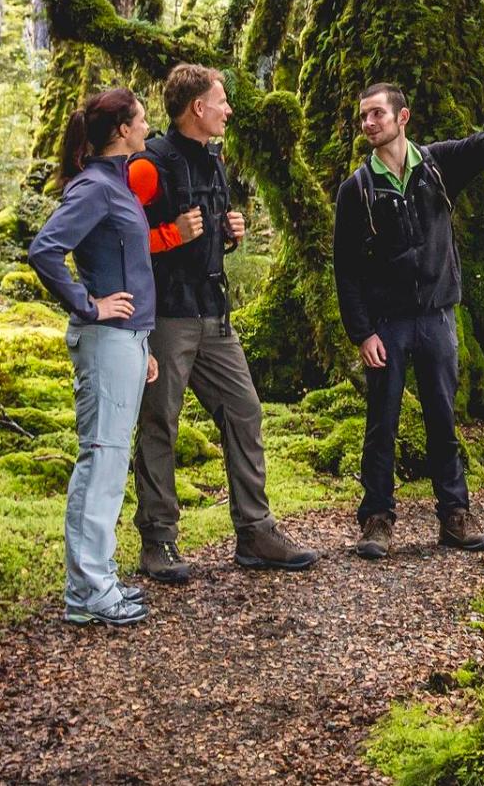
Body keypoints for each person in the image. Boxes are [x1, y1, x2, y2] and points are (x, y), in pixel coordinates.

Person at [333, 53, 484, 560]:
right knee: (381, 422)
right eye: (364, 116)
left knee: (443, 419)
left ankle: (454, 514)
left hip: (438, 318)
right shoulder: (356, 190)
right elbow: (345, 269)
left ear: (402, 117)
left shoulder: (438, 165)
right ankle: (377, 519)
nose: (368, 123)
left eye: (377, 114)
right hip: (388, 325)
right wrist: (362, 333)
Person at [127, 64, 317, 582]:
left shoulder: (214, 161)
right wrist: (169, 234)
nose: (229, 109)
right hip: (167, 317)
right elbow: (119, 241)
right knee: (160, 423)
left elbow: (207, 228)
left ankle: (255, 533)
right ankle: (158, 541)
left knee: (245, 411)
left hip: (215, 316)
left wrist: (228, 233)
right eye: (222, 100)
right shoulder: (150, 165)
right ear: (197, 109)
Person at [27, 87, 161, 627]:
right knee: (101, 458)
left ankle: (97, 579)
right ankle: (88, 589)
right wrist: (89, 305)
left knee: (109, 460)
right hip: (105, 341)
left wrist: (142, 343)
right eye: (142, 119)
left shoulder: (117, 183)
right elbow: (45, 249)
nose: (147, 126)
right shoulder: (94, 189)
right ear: (123, 130)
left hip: (126, 342)